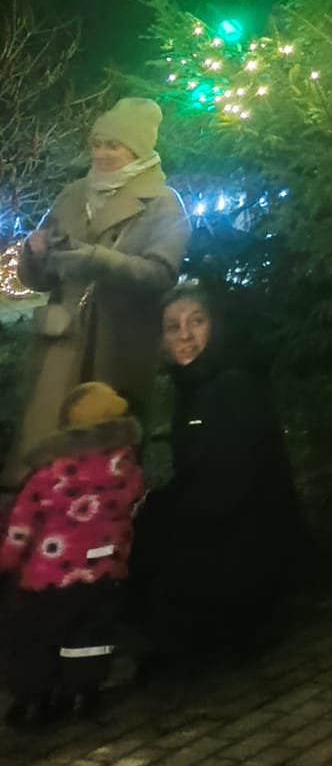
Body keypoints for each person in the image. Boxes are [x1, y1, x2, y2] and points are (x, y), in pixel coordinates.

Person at [4, 98, 188, 493]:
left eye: (113, 145)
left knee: (100, 467)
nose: (102, 153)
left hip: (117, 346)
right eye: (97, 144)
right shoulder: (73, 195)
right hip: (61, 343)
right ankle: (33, 524)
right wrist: (34, 254)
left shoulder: (163, 203)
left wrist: (95, 260)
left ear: (137, 150)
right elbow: (37, 280)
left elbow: (161, 274)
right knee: (40, 456)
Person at [127, 281, 303, 669]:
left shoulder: (230, 385)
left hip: (247, 527)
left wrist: (164, 510)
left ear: (215, 326)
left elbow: (230, 482)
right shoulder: (194, 383)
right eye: (173, 327)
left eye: (197, 322)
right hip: (222, 511)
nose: (185, 335)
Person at [1, 380, 144, 728]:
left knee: (36, 639)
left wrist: (7, 560)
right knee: (88, 638)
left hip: (50, 577)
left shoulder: (48, 474)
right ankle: (83, 696)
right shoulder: (128, 470)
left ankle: (33, 703)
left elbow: (22, 525)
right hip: (104, 573)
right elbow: (134, 507)